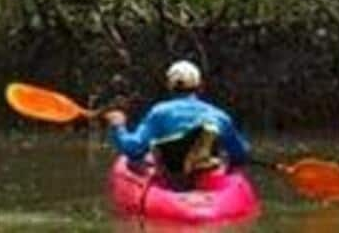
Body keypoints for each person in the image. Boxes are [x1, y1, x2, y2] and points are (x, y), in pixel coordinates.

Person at [103, 60, 252, 188]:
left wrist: (119, 126)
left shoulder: (159, 113)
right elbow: (240, 154)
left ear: (170, 86)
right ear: (200, 85)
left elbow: (133, 149)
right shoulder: (219, 116)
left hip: (170, 179)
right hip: (204, 177)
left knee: (131, 162)